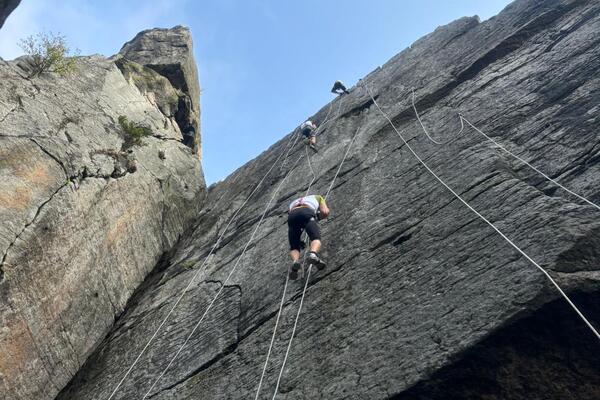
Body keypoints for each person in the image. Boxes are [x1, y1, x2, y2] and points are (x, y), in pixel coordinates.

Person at [287, 194, 330, 280]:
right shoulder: (318, 197)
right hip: (306, 212)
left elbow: (298, 220)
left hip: (292, 216)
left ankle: (295, 261)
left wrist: (298, 240)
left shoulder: (292, 203)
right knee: (315, 238)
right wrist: (317, 217)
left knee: (294, 246)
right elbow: (325, 212)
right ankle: (313, 254)